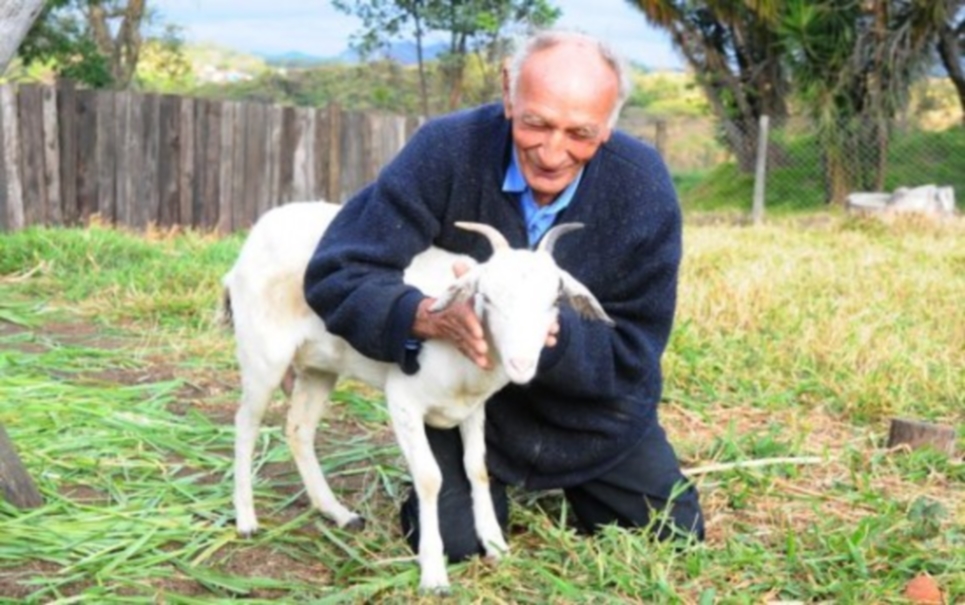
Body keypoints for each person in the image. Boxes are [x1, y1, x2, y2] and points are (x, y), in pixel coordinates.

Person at [303, 28, 705, 560]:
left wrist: (550, 336)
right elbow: (338, 270)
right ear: (508, 94)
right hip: (458, 395)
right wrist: (422, 315)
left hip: (586, 415)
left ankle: (568, 471)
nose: (553, 151)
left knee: (674, 531)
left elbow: (636, 349)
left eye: (580, 133)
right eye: (535, 123)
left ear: (608, 127)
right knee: (455, 545)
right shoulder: (446, 149)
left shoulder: (643, 187)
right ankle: (463, 479)